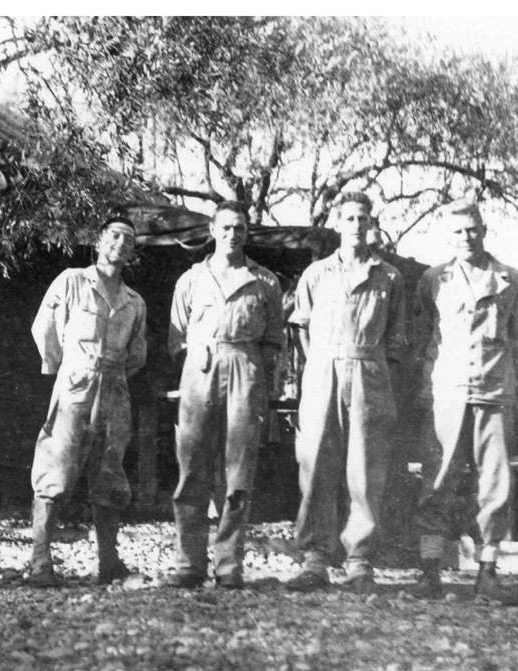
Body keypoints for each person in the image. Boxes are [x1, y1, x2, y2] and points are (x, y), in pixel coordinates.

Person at [284, 192, 406, 594]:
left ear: (371, 224)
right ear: (337, 223)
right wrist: (324, 364)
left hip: (370, 372)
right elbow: (301, 330)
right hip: (323, 372)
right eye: (349, 218)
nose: (356, 225)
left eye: (363, 218)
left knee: (365, 469)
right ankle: (315, 559)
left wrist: (364, 365)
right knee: (317, 464)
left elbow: (395, 341)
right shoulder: (316, 274)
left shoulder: (388, 276)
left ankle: (359, 560)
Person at [414, 198, 518, 603]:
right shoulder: (433, 280)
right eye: (458, 231)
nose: (466, 237)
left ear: (484, 230)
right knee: (437, 481)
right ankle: (429, 574)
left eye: (472, 229)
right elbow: (425, 339)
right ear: (450, 235)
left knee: (494, 486)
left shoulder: (509, 280)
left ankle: (488, 575)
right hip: (447, 393)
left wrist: (517, 394)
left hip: (494, 393)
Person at [167, 201, 284, 589]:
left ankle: (229, 565)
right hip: (201, 369)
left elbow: (272, 341)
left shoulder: (264, 282)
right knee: (192, 468)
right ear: (213, 232)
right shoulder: (191, 279)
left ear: (247, 234)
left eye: (241, 228)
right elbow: (177, 338)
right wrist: (200, 353)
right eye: (227, 227)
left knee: (238, 473)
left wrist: (250, 371)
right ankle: (189, 564)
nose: (234, 234)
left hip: (244, 370)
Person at [28, 215, 147, 587]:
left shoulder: (134, 301)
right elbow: (44, 328)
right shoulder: (72, 281)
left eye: (129, 239)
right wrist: (63, 369)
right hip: (75, 384)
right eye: (114, 235)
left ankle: (108, 562)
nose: (121, 244)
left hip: (113, 390)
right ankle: (40, 562)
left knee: (110, 472)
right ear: (99, 240)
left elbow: (137, 353)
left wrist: (113, 377)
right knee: (56, 469)